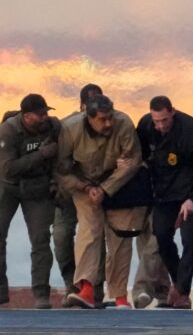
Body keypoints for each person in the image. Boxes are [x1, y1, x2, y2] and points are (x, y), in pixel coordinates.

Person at [57, 94, 142, 309]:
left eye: (110, 117)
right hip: (84, 186)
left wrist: (106, 188)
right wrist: (86, 187)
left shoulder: (123, 124)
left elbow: (133, 160)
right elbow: (60, 171)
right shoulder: (69, 129)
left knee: (121, 237)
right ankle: (86, 288)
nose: (109, 123)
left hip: (118, 184)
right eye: (103, 119)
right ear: (89, 116)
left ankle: (120, 296)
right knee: (89, 231)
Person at [136, 96, 193, 310]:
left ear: (172, 111)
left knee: (189, 240)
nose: (161, 125)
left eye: (165, 119)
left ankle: (182, 292)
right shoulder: (146, 125)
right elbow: (140, 154)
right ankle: (178, 283)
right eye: (157, 121)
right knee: (162, 236)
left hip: (190, 193)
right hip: (164, 193)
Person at [0, 94, 60, 309]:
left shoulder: (53, 127)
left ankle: (41, 294)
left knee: (41, 240)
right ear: (26, 116)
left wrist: (55, 182)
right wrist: (41, 155)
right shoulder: (8, 130)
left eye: (47, 112)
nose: (46, 117)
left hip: (37, 188)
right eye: (40, 114)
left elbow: (60, 159)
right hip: (7, 187)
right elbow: (8, 169)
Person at [53, 83, 106, 306]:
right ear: (81, 106)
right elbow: (57, 163)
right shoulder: (68, 127)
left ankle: (94, 288)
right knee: (62, 236)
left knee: (94, 236)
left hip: (95, 190)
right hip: (69, 190)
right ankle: (71, 284)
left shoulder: (109, 126)